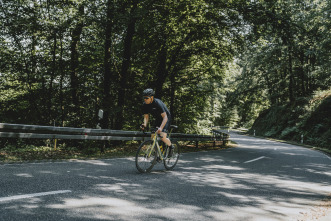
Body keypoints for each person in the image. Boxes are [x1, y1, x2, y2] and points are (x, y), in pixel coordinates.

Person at [141, 88, 174, 153]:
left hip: (166, 118)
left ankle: (171, 147)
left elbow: (165, 118)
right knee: (153, 137)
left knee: (162, 136)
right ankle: (158, 153)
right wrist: (144, 124)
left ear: (152, 97)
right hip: (158, 119)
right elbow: (146, 117)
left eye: (147, 98)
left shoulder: (157, 103)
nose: (145, 99)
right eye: (144, 98)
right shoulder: (145, 105)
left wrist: (161, 128)